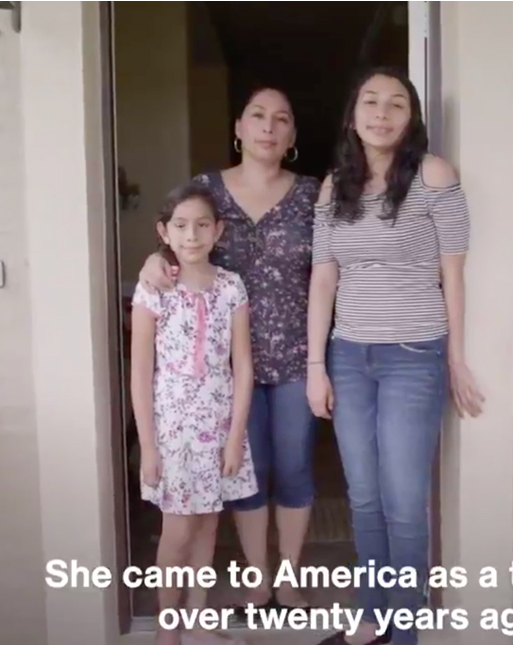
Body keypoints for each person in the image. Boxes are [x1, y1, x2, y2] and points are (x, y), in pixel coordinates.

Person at [306, 67, 485, 645]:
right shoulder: (334, 187)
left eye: (397, 104)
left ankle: (404, 633)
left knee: (405, 502)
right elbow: (324, 279)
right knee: (363, 495)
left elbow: (453, 276)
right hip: (349, 356)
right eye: (371, 102)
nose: (382, 114)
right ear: (353, 114)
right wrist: (316, 366)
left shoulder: (435, 176)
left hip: (414, 355)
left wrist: (456, 358)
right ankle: (371, 616)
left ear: (411, 119)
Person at [138, 85, 322, 613]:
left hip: (293, 355)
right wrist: (154, 261)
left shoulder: (313, 193)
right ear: (238, 127)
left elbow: (332, 267)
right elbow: (179, 234)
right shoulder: (208, 189)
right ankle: (257, 578)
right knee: (244, 468)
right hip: (216, 372)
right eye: (258, 116)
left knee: (293, 468)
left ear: (291, 135)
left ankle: (287, 576)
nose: (269, 126)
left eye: (282, 119)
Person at [130, 184, 257, 645]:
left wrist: (234, 434)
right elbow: (141, 374)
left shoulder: (230, 288)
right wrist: (148, 447)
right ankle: (169, 626)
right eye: (181, 225)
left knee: (207, 522)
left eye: (203, 225)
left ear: (218, 231)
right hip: (172, 430)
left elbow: (242, 366)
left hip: (219, 425)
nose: (192, 235)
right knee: (177, 527)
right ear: (164, 231)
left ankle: (199, 615)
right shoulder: (153, 290)